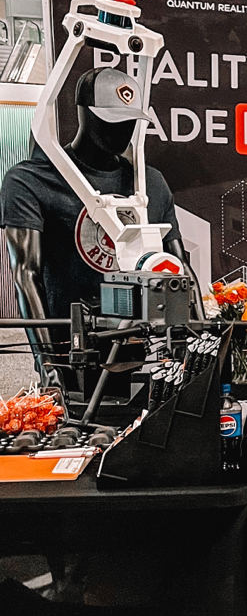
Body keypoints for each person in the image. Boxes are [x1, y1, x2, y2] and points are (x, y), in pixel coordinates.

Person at [1, 68, 195, 390]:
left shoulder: (150, 183)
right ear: (83, 113)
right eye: (110, 120)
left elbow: (180, 268)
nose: (121, 131)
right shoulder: (31, 181)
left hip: (143, 355)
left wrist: (194, 340)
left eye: (129, 122)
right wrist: (48, 364)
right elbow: (26, 276)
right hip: (72, 358)